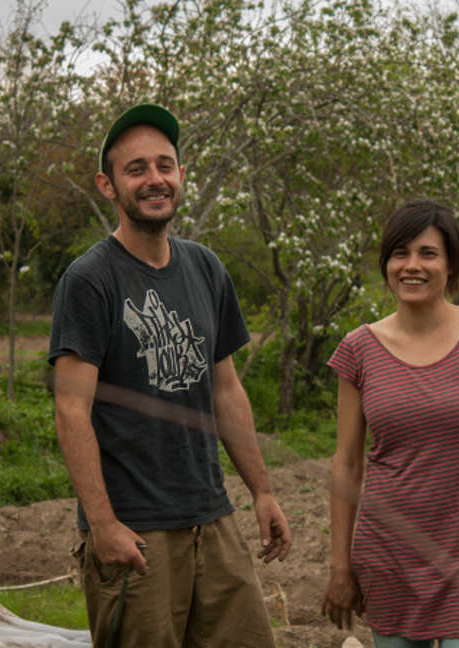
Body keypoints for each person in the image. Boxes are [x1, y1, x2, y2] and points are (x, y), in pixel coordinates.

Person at [49, 103, 291, 647]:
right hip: (137, 530)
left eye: (165, 165)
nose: (155, 179)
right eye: (136, 169)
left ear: (181, 175)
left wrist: (263, 491)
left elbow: (226, 389)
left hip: (212, 517)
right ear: (107, 185)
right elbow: (71, 409)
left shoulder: (205, 268)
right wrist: (104, 524)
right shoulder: (90, 281)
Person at [321, 199, 459, 647]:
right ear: (386, 265)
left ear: (451, 265)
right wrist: (340, 566)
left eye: (427, 253)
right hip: (389, 557)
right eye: (399, 254)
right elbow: (346, 466)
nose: (411, 266)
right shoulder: (359, 350)